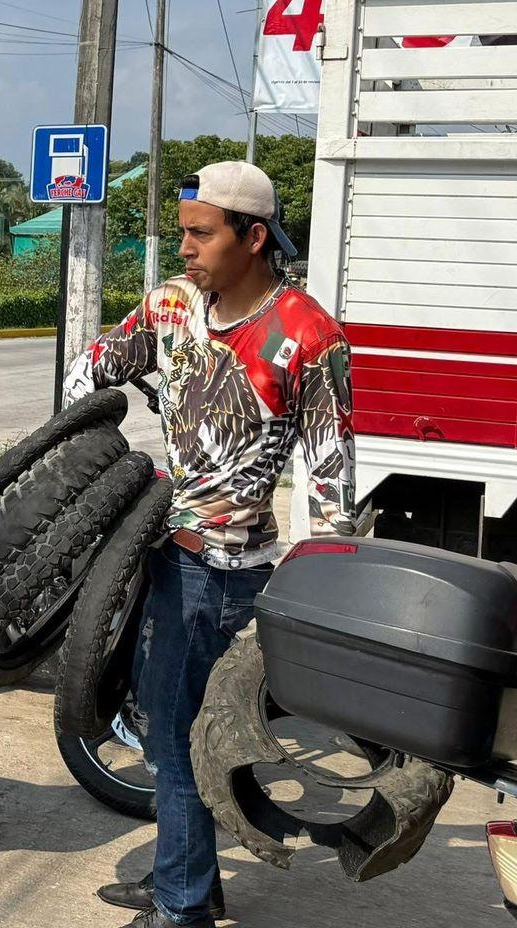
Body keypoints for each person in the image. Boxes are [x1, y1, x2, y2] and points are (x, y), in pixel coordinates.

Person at [64, 161, 363, 928]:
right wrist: (92, 463)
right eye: (184, 232)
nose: (186, 248)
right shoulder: (172, 305)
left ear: (253, 237)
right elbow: (91, 371)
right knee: (176, 729)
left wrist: (323, 596)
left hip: (227, 573)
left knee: (178, 737)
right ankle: (190, 877)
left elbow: (330, 481)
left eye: (201, 233)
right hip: (165, 555)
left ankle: (182, 906)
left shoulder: (307, 336)